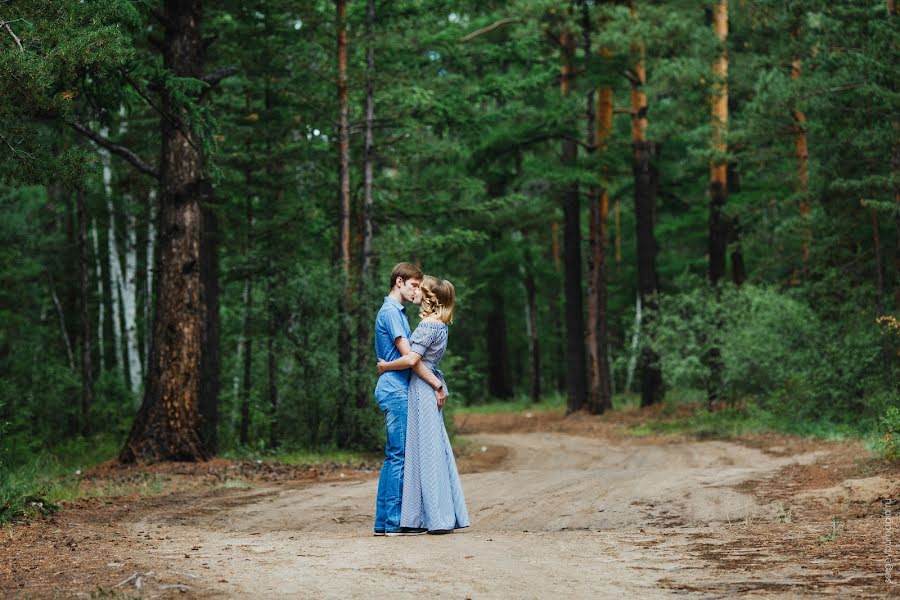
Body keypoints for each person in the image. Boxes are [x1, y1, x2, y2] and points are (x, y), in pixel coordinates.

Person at [377, 276, 470, 534]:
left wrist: (385, 366)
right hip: (429, 385)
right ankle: (434, 515)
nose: (415, 292)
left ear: (429, 298)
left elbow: (412, 360)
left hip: (422, 386)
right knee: (432, 448)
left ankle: (432, 518)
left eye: (420, 289)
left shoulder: (427, 326)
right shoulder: (440, 324)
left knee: (423, 450)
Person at [373, 263, 446, 537]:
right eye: (414, 285)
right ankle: (394, 523)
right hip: (395, 388)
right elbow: (410, 357)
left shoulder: (396, 312)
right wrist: (437, 384)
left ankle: (383, 523)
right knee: (399, 456)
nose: (417, 290)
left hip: (394, 387)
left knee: (393, 456)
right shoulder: (392, 313)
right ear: (399, 282)